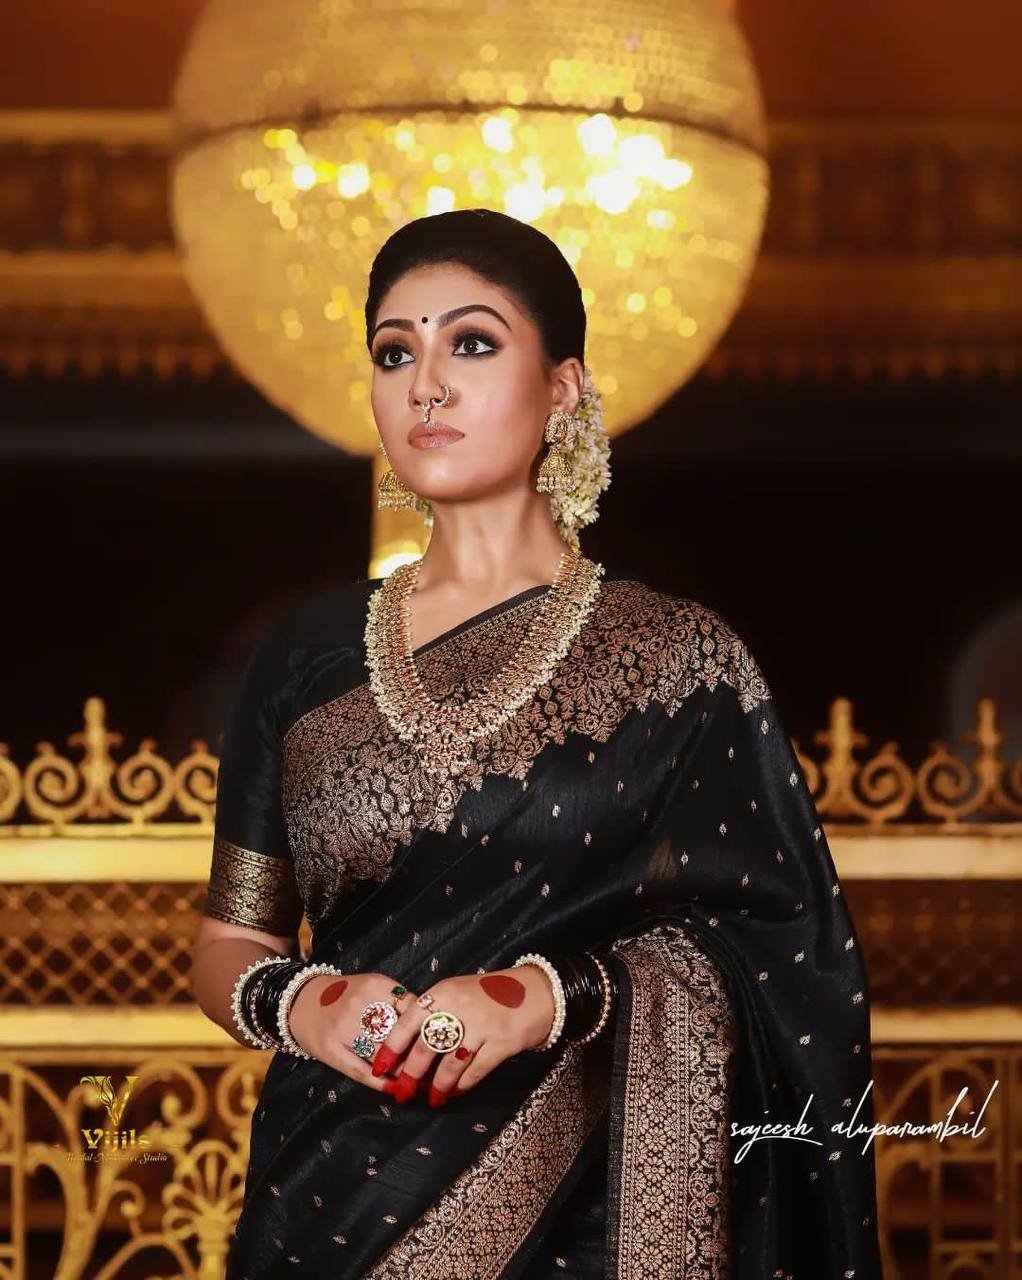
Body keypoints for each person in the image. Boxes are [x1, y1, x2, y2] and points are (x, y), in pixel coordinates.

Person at [191, 208, 884, 1279]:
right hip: (325, 1195)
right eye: (394, 352)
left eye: (470, 342)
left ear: (562, 387)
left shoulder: (678, 660)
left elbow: (783, 955)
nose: (426, 385)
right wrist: (310, 1005)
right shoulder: (301, 658)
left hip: (588, 1215)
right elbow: (231, 936)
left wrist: (537, 998)